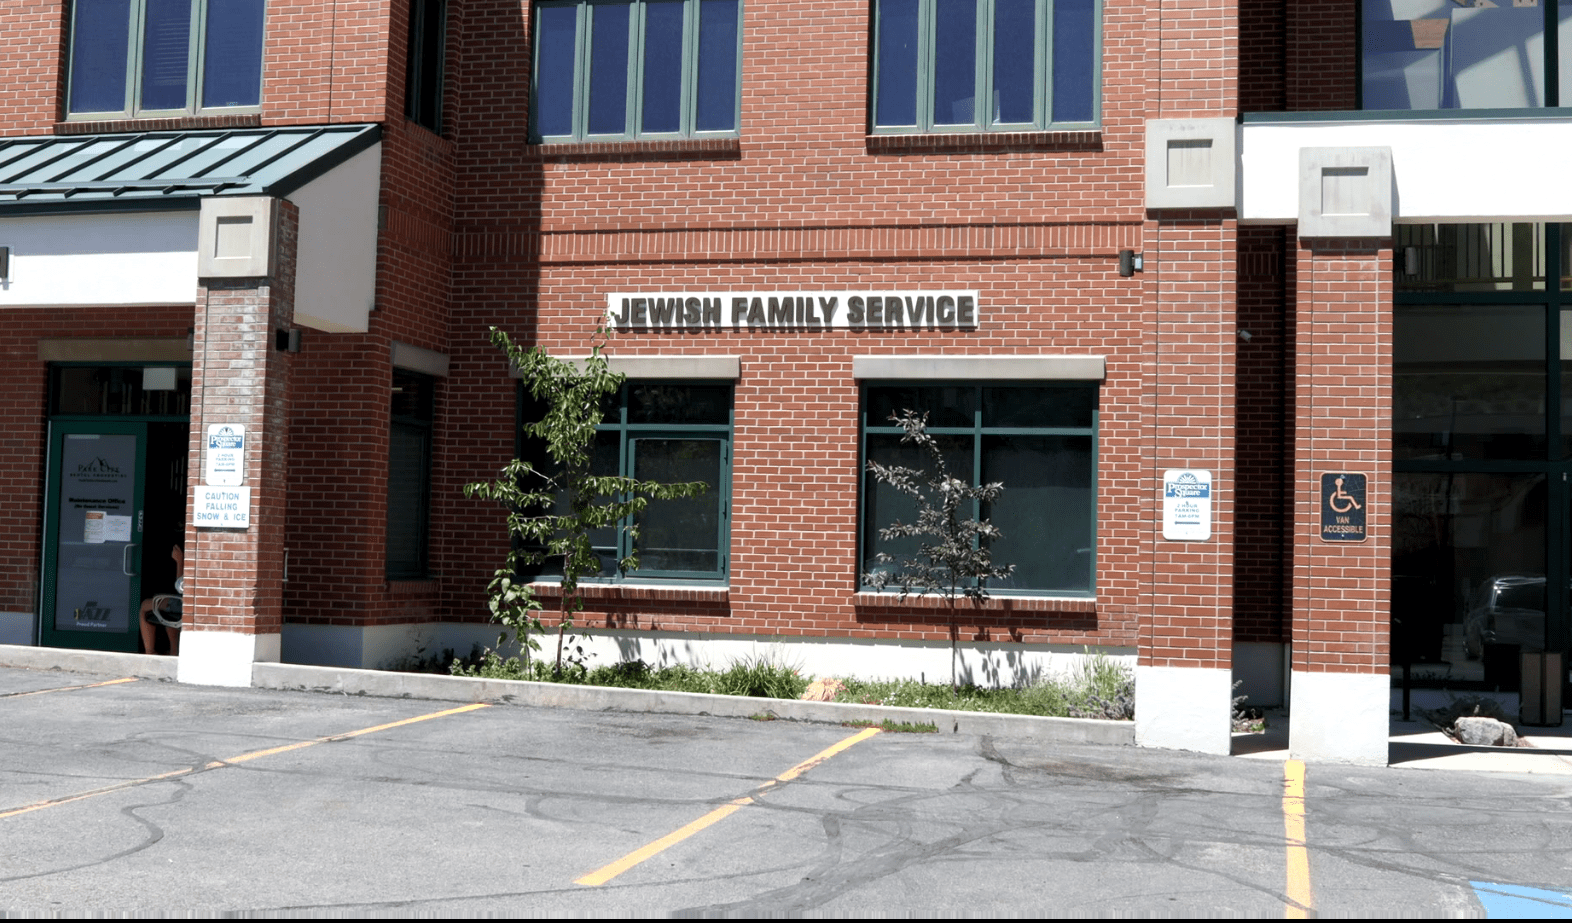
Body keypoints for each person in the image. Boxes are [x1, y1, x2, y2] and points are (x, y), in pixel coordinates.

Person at [139, 544, 184, 656]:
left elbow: (180, 587)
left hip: (182, 603)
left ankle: (150, 651)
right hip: (185, 604)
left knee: (145, 605)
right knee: (168, 610)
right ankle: (174, 651)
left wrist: (180, 561)